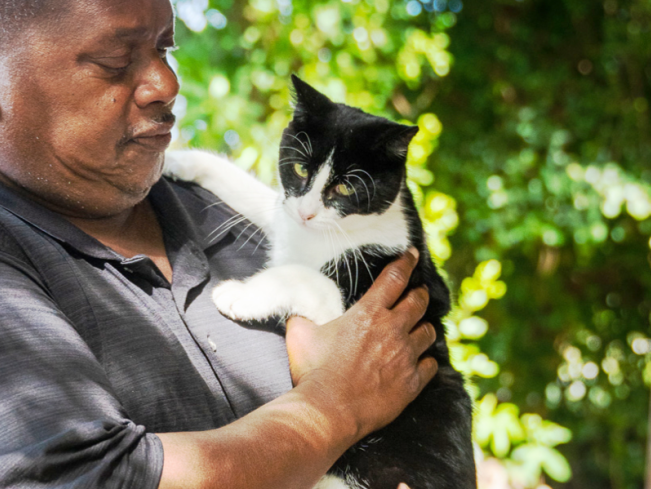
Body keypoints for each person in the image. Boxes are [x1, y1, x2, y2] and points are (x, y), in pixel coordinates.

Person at [0, 0, 439, 488]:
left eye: (166, 49)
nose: (167, 83)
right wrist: (336, 407)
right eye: (116, 62)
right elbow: (90, 478)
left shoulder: (220, 205)